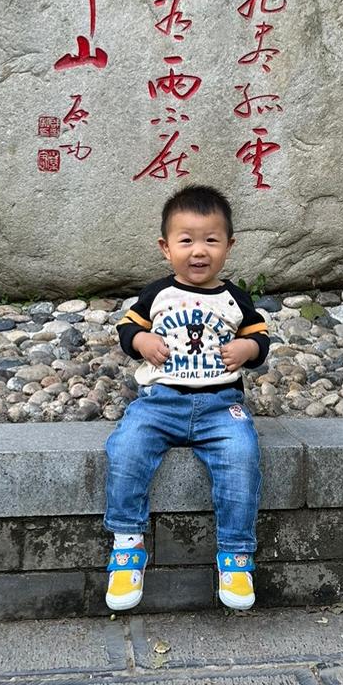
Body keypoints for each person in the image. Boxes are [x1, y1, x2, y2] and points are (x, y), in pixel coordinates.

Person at [105, 184, 270, 612]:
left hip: (220, 407)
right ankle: (127, 545)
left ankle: (235, 555)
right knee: (125, 447)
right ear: (166, 248)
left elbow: (259, 337)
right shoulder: (158, 294)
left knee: (243, 455)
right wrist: (140, 340)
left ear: (228, 246)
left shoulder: (235, 298)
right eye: (187, 240)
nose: (199, 251)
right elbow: (125, 329)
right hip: (160, 402)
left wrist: (247, 350)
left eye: (211, 240)